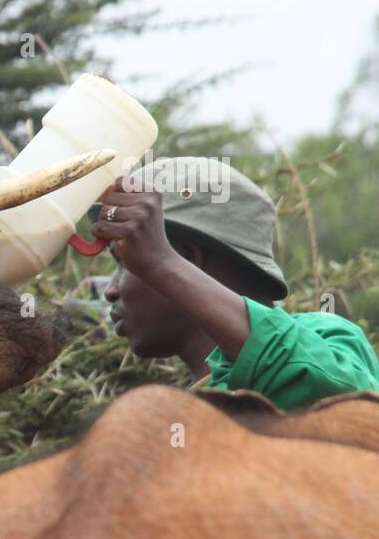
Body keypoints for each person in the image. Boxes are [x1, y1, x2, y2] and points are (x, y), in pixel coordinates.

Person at [92, 156, 379, 411]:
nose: (111, 290)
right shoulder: (181, 420)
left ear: (188, 257)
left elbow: (346, 400)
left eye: (125, 262)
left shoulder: (327, 336)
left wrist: (161, 263)